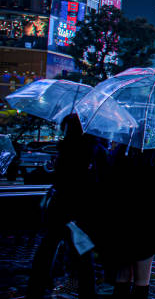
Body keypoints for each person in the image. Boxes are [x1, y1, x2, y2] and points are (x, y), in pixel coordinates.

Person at [27, 114, 108, 299]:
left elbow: (59, 179)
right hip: (81, 209)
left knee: (47, 250)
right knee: (82, 253)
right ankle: (87, 291)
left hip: (60, 207)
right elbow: (102, 182)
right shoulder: (95, 150)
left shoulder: (65, 149)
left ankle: (36, 287)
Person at [108, 147, 155, 299]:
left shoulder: (120, 164)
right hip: (147, 228)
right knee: (142, 280)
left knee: (122, 276)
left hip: (123, 226)